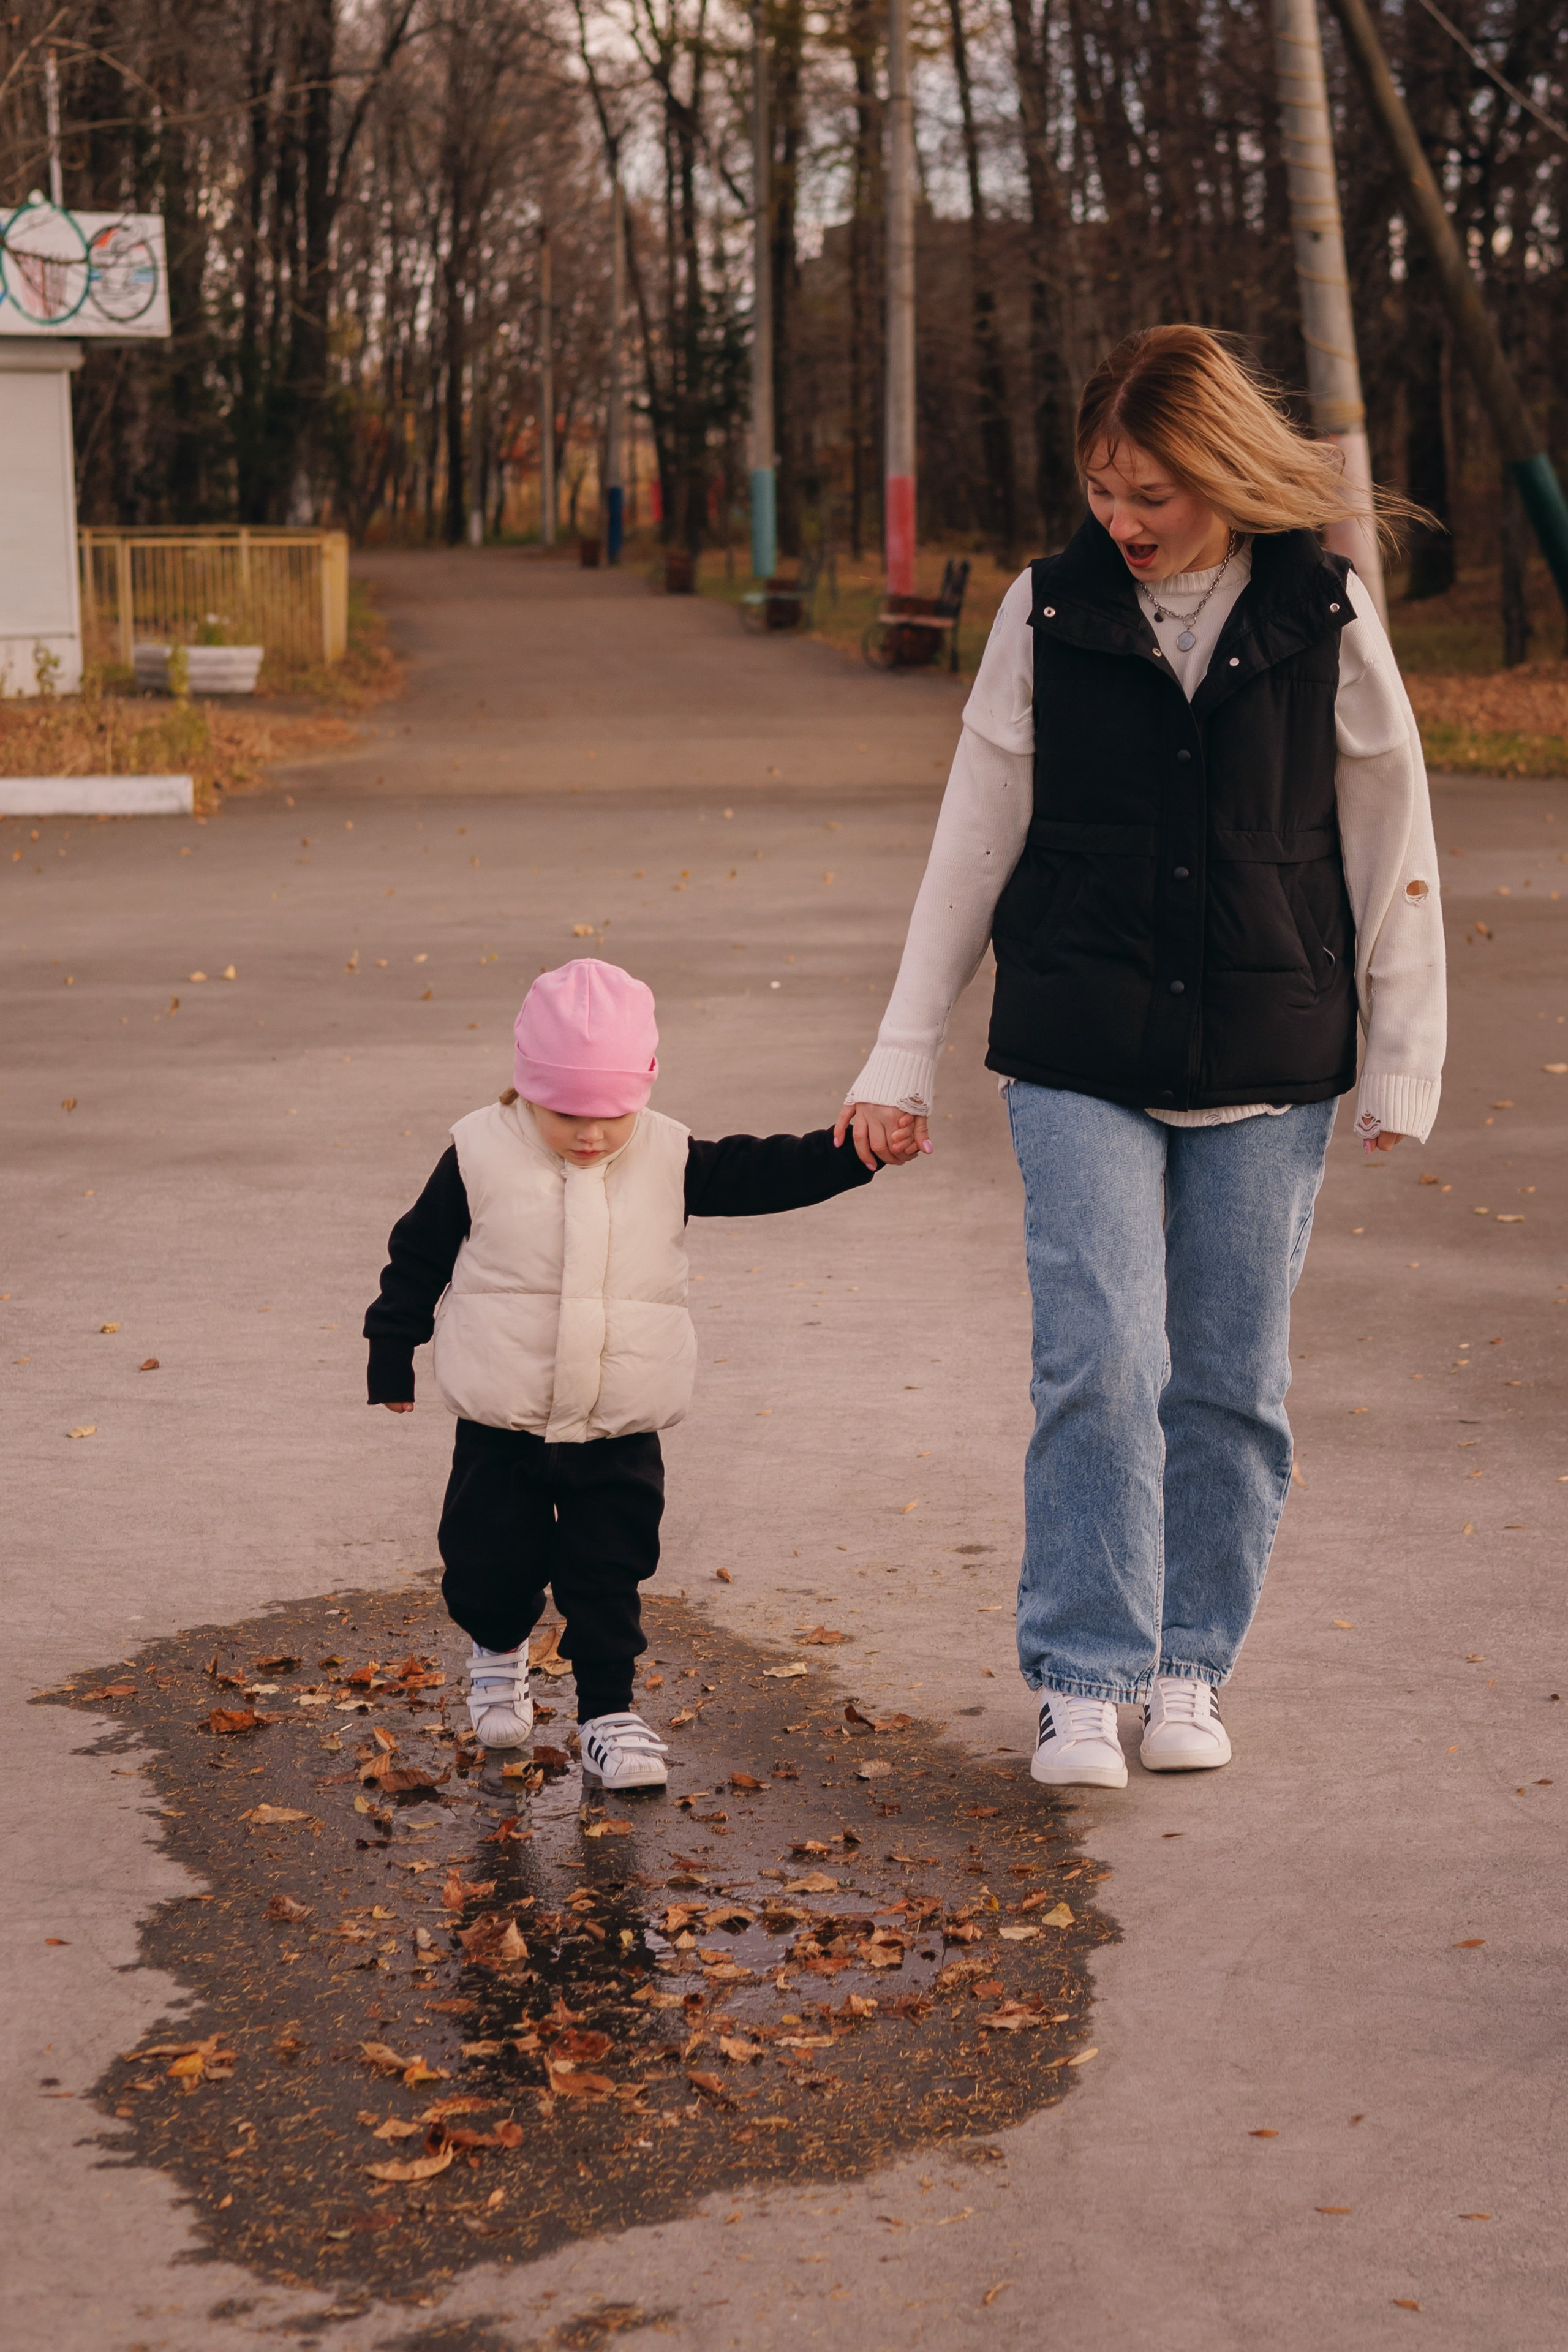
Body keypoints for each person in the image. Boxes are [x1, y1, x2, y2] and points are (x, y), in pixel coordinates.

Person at [837, 325, 1444, 1791]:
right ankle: (1079, 1678)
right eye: (1104, 490)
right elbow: (972, 836)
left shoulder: (1321, 608)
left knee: (1231, 1380)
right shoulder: (1047, 609)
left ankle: (1187, 1669)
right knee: (1099, 1357)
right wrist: (896, 1056)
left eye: (1152, 494)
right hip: (1077, 1040)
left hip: (1270, 1043)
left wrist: (1402, 1058)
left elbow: (1390, 830)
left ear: (1226, 475)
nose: (1123, 521)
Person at [364, 957, 907, 1791]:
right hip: (501, 1423)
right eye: (565, 1113)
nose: (590, 1134)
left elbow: (769, 1173)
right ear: (525, 1089)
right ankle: (497, 1647)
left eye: (611, 1114)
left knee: (608, 1573)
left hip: (619, 1424)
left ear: (643, 1089)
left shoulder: (667, 1154)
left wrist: (856, 1157)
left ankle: (608, 1715)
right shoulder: (477, 1154)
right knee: (487, 1570)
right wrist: (390, 1348)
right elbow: (417, 1256)